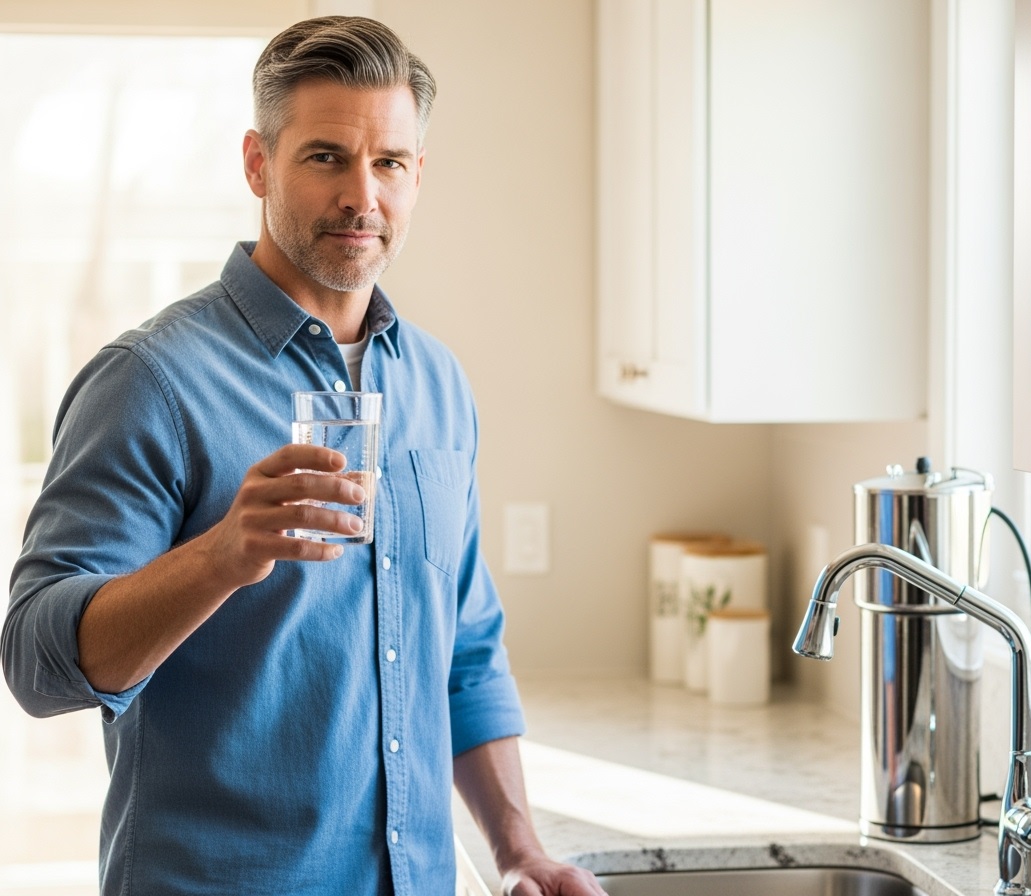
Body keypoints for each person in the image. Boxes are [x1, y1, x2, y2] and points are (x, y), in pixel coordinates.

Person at [2, 16, 605, 896]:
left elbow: (465, 654)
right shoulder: (151, 381)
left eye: (389, 162)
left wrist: (519, 850)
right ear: (258, 163)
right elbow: (35, 664)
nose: (362, 195)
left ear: (418, 173)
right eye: (326, 157)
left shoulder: (437, 383)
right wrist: (222, 555)